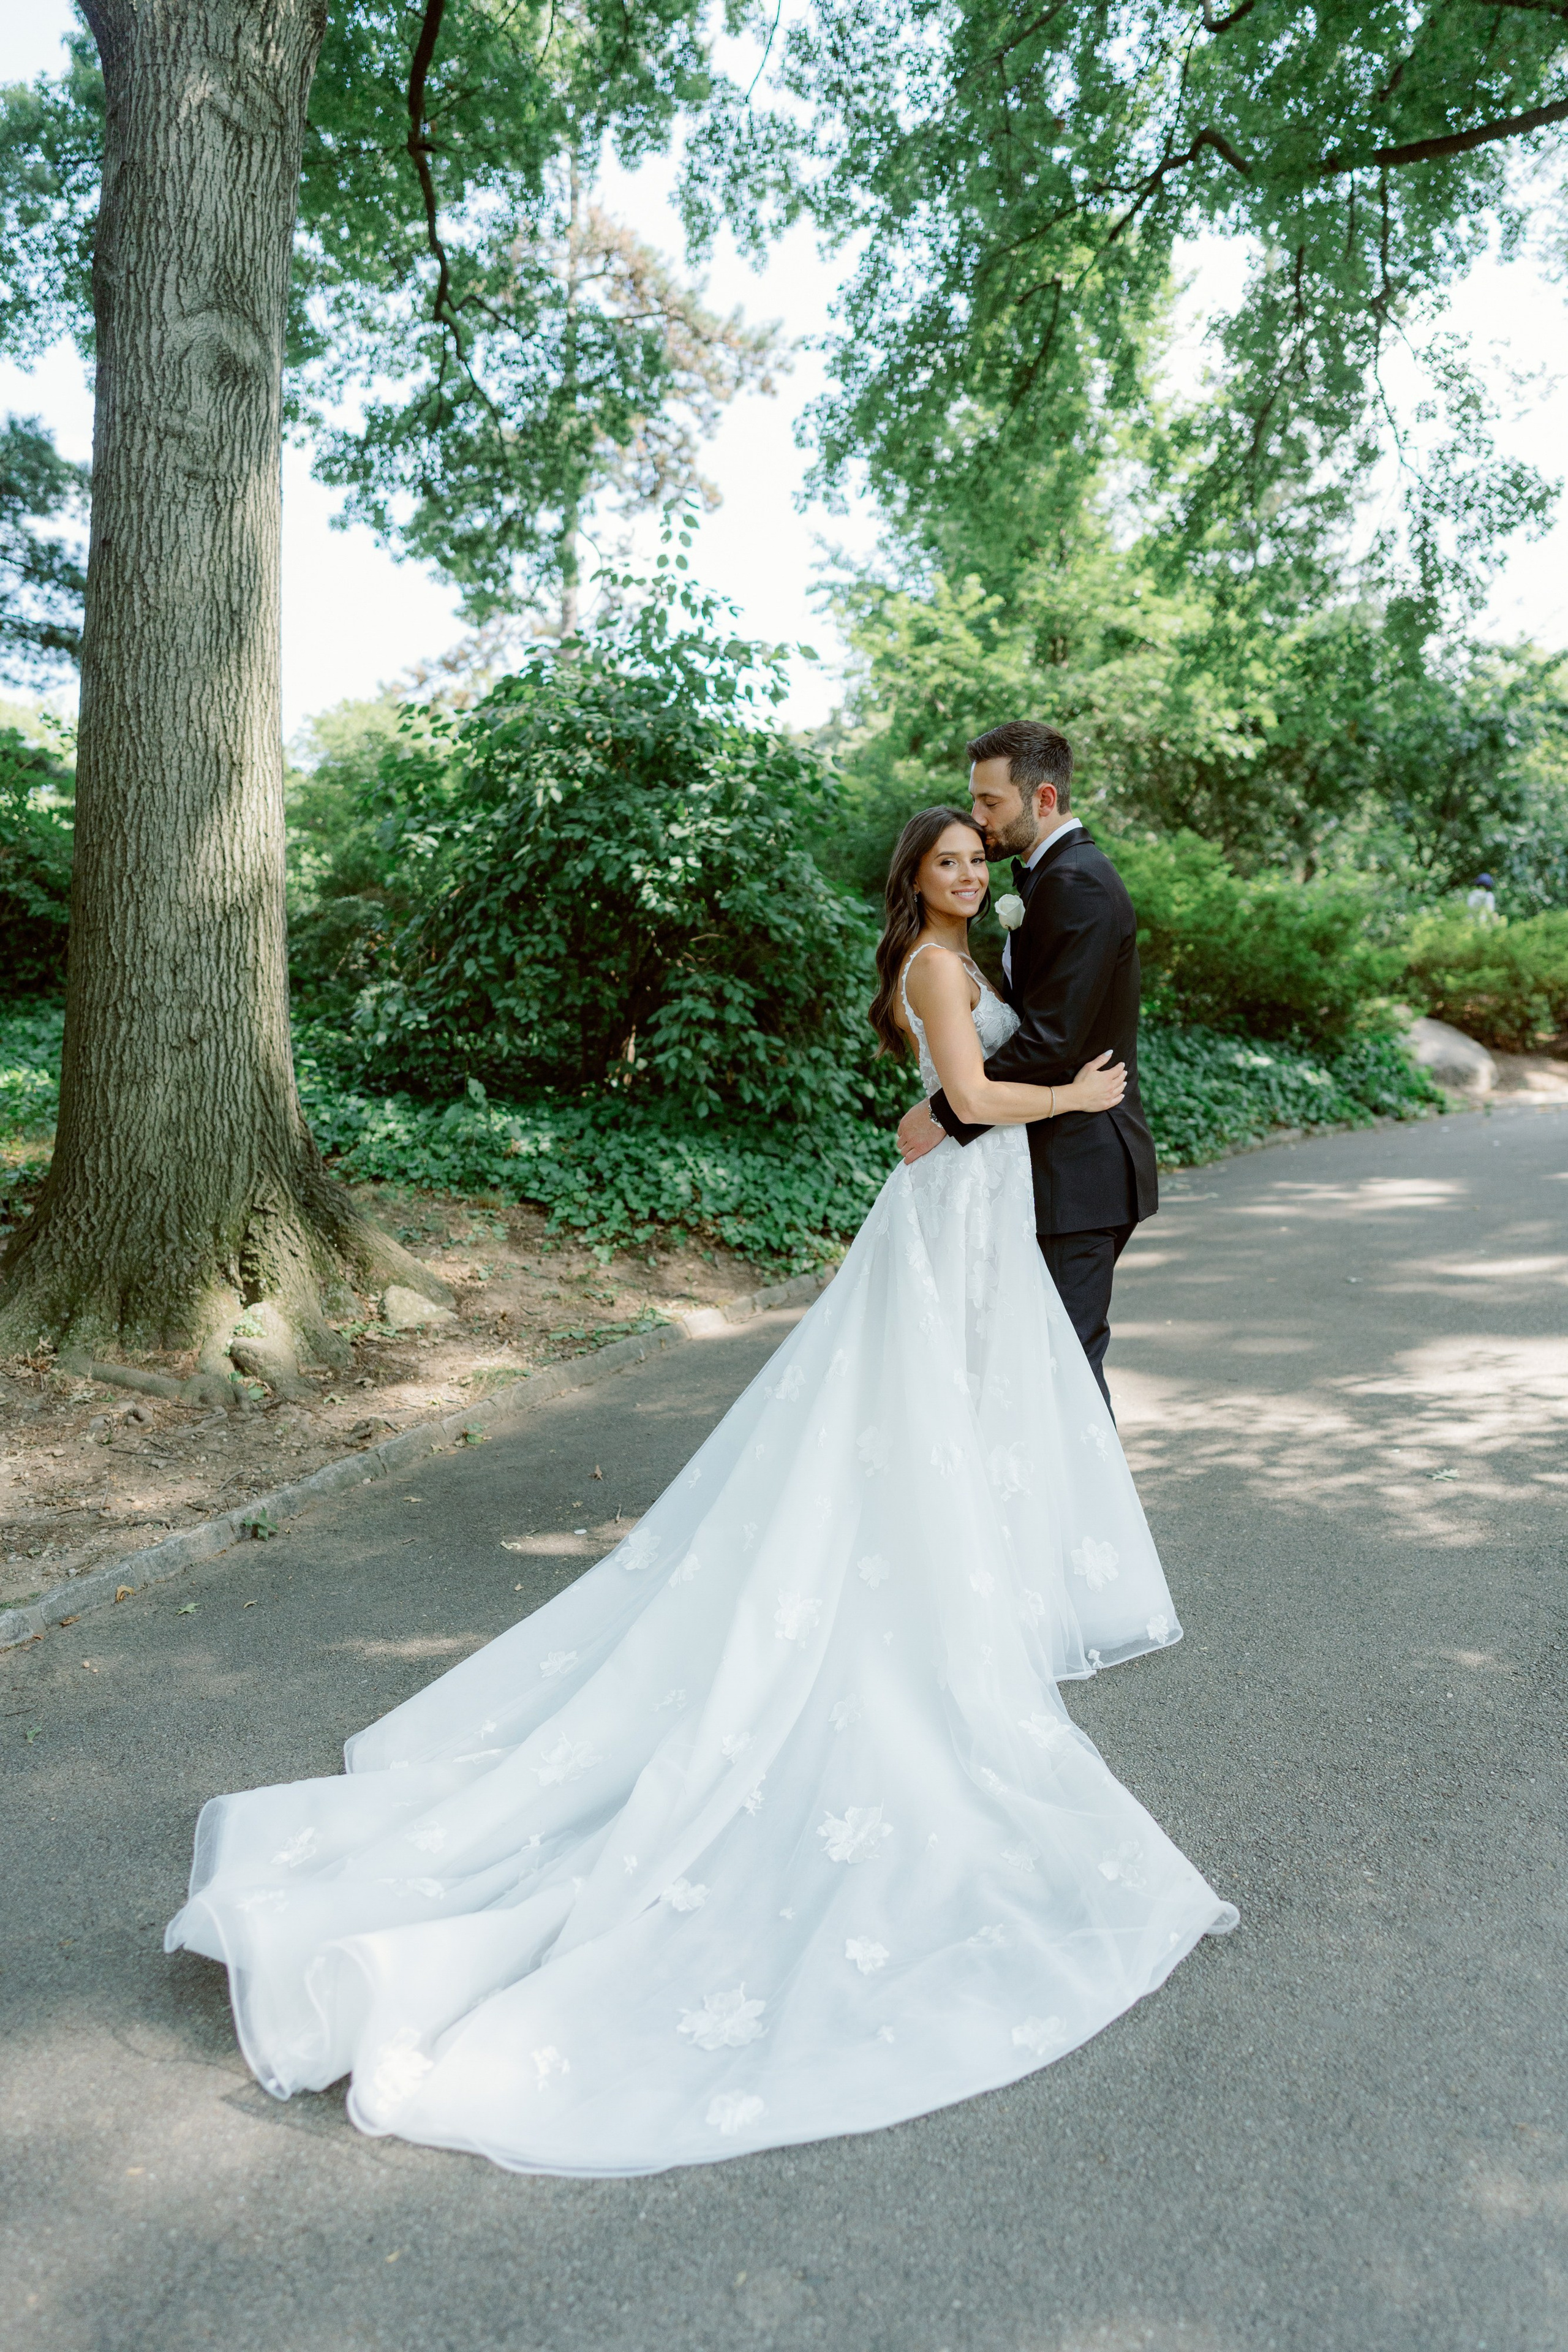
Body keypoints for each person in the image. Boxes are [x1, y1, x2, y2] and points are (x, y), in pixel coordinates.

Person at [165, 805, 1235, 2177]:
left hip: (973, 1213)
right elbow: (967, 1101)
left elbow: (953, 1099)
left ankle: (941, 1584)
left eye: (978, 859)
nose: (969, 873)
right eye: (947, 860)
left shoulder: (967, 953)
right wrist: (1078, 1101)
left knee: (954, 1427)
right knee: (905, 1427)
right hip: (955, 1203)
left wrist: (978, 1101)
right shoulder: (927, 962)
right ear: (913, 878)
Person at [897, 722, 1156, 1413]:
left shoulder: (1077, 884)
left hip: (1080, 1167)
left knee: (1060, 1368)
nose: (979, 826)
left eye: (990, 805)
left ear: (1042, 797)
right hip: (1035, 1168)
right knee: (1026, 1364)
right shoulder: (1045, 882)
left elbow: (1051, 1044)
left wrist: (947, 1114)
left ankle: (1089, 1523)